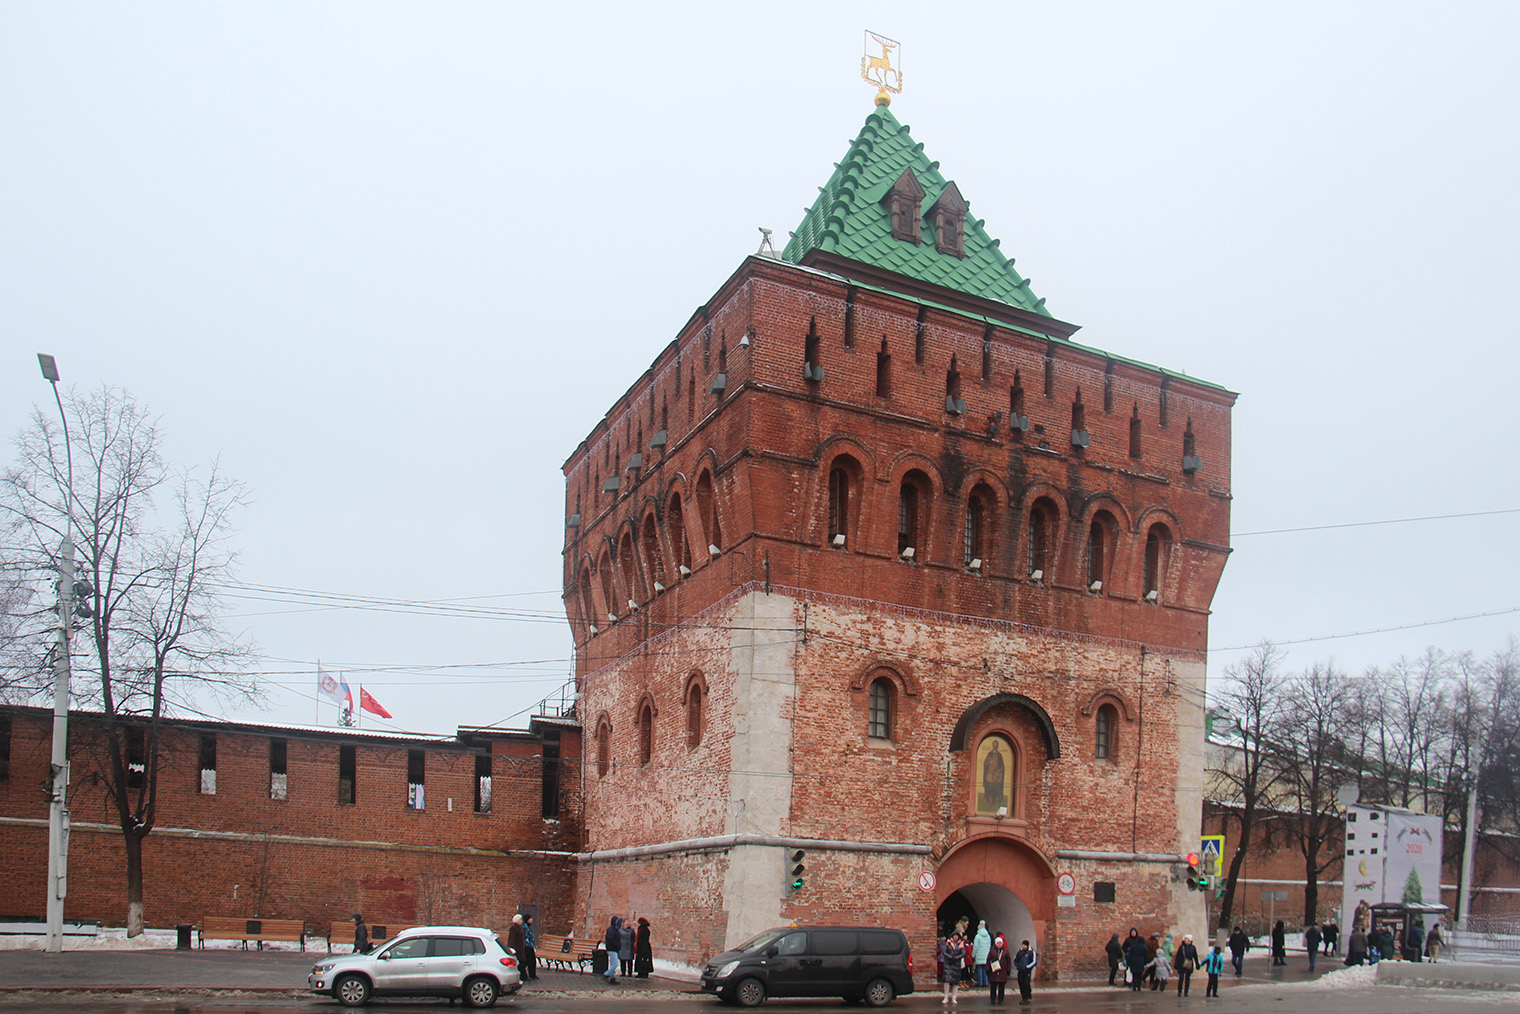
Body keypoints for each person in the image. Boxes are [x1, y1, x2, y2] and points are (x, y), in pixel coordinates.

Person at [939, 927, 966, 1005]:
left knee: (955, 982)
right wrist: (949, 956)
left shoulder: (961, 944)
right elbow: (944, 951)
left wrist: (956, 958)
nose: (955, 937)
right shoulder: (948, 943)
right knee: (947, 980)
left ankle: (954, 997)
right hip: (948, 964)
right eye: (954, 936)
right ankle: (946, 996)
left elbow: (963, 953)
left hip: (956, 965)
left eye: (957, 936)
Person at [987, 932, 1011, 1005]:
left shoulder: (1005, 951)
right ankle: (993, 999)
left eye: (1000, 943)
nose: (999, 944)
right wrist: (988, 969)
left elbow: (1009, 961)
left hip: (1002, 971)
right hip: (994, 971)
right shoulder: (992, 951)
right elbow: (988, 960)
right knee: (993, 987)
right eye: (998, 943)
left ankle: (1000, 999)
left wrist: (1008, 970)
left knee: (1001, 987)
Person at [1013, 939, 1036, 1004]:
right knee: (1021, 983)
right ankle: (1023, 997)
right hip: (1020, 970)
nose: (1023, 946)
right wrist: (1017, 966)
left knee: (1026, 983)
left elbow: (1034, 961)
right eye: (1022, 945)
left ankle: (1028, 997)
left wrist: (1028, 967)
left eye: (1024, 945)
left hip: (1027, 971)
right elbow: (1015, 960)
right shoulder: (1019, 952)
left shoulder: (1031, 952)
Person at [972, 921, 992, 988]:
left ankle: (980, 983)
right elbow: (989, 946)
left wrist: (973, 954)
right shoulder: (988, 936)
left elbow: (975, 947)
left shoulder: (977, 936)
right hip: (986, 955)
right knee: (985, 969)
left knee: (979, 969)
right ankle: (985, 982)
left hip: (979, 955)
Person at [603, 916, 622, 982]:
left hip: (614, 948)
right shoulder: (611, 929)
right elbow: (610, 938)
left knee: (612, 963)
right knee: (615, 964)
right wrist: (616, 945)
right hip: (612, 948)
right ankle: (607, 973)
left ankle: (612, 977)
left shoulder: (614, 929)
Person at [522, 914, 538, 980]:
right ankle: (526, 975)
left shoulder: (528, 926)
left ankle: (532, 975)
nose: (532, 920)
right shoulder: (524, 927)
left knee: (532, 961)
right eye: (530, 919)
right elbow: (525, 936)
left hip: (530, 946)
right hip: (527, 946)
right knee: (528, 961)